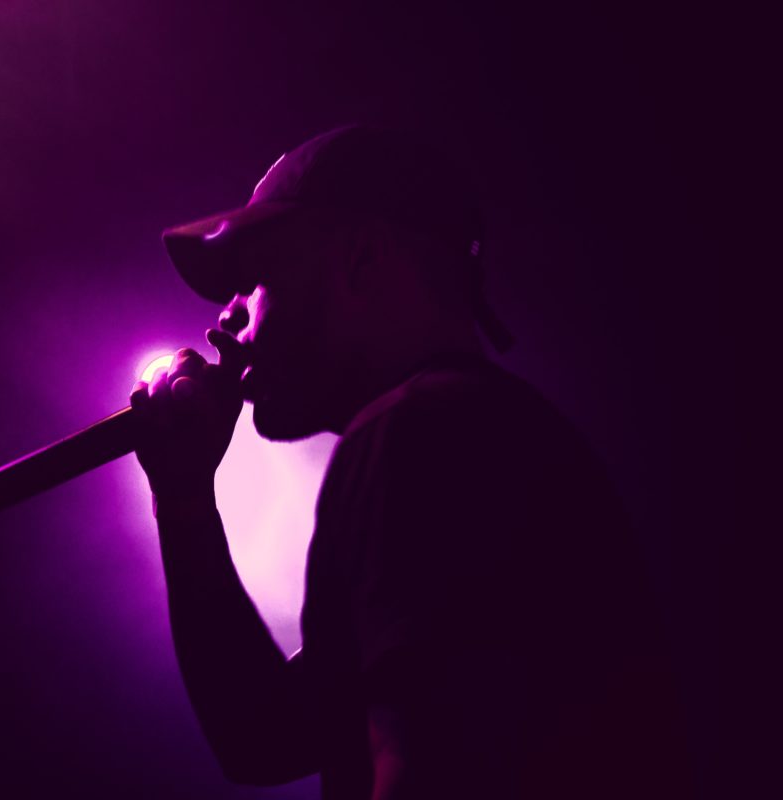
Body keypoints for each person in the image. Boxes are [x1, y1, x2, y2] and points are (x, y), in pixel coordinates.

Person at [128, 125, 693, 800]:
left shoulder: (418, 433)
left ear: (363, 260)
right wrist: (185, 496)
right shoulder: (485, 436)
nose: (227, 318)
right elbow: (263, 735)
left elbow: (427, 771)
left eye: (256, 276)